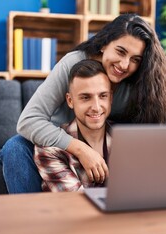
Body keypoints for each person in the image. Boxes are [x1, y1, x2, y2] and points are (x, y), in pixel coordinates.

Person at [0, 13, 166, 193]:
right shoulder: (73, 64)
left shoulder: (138, 80)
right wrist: (82, 150)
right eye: (120, 51)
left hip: (101, 142)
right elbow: (28, 121)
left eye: (135, 59)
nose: (124, 64)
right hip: (58, 144)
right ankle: (31, 218)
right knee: (15, 147)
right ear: (104, 44)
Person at [34, 59, 113, 192]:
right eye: (85, 97)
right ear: (70, 101)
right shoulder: (49, 149)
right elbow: (77, 203)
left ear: (111, 98)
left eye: (103, 96)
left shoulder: (127, 140)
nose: (96, 107)